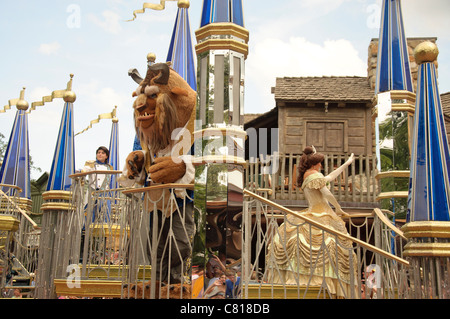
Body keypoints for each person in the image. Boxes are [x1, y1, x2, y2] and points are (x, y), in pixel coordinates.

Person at [266, 146, 358, 298]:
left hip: (316, 212)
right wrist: (338, 208)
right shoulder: (314, 176)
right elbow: (326, 193)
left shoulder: (311, 175)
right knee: (328, 242)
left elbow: (330, 177)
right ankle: (323, 283)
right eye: (320, 163)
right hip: (320, 213)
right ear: (315, 164)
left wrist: (347, 163)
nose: (321, 165)